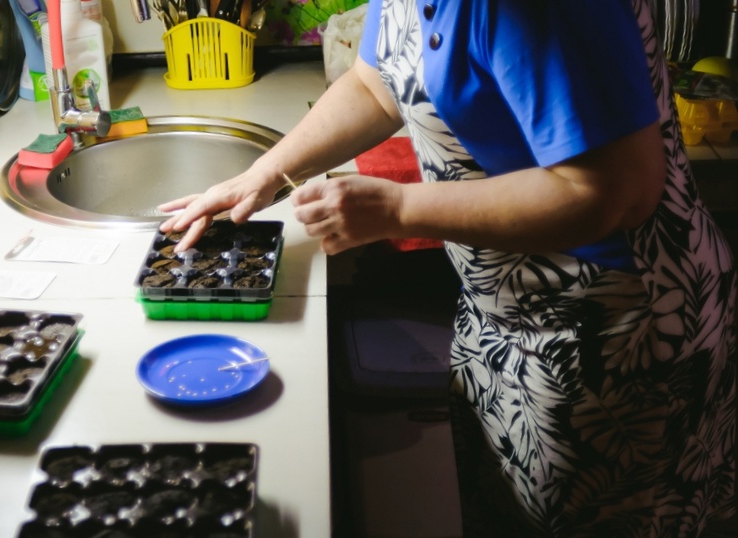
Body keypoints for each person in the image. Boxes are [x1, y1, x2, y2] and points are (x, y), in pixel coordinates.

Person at [158, 0, 737, 535]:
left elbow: (612, 191)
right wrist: (265, 175)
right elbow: (375, 85)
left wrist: (398, 209)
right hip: (503, 314)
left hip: (614, 337)